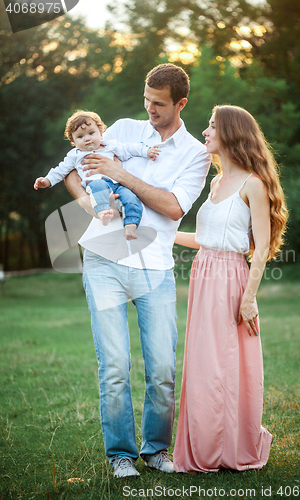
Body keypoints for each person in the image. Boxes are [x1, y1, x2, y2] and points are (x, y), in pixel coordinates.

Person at [63, 64, 211, 478]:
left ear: (180, 103)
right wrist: (89, 205)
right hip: (103, 260)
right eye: (146, 98)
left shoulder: (195, 154)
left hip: (155, 267)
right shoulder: (124, 128)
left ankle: (157, 449)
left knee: (162, 366)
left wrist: (120, 174)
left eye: (158, 103)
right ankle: (121, 454)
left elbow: (174, 207)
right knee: (113, 366)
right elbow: (75, 169)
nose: (149, 108)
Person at [173, 104, 288, 473]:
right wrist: (162, 236)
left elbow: (261, 249)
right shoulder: (216, 181)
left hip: (232, 280)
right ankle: (205, 446)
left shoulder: (252, 183)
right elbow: (206, 239)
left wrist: (249, 298)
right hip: (203, 274)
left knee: (228, 364)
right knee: (203, 363)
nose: (205, 133)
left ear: (230, 133)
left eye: (211, 127)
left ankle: (232, 445)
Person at [34, 110, 160, 240]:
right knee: (99, 186)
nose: (87, 138)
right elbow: (61, 170)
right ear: (73, 140)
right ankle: (102, 213)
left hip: (117, 185)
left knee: (131, 198)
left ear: (101, 132)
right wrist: (47, 180)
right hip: (95, 184)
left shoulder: (110, 146)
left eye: (91, 133)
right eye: (80, 137)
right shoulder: (75, 155)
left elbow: (130, 148)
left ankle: (130, 227)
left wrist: (147, 151)